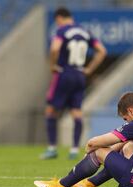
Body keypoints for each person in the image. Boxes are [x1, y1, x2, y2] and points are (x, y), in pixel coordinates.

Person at [40, 7, 107, 160]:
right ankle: (75, 149)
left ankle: (52, 149)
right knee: (76, 112)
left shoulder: (62, 30)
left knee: (51, 111)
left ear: (59, 18)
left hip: (64, 73)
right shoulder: (85, 32)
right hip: (79, 75)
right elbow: (102, 51)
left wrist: (52, 65)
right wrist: (89, 69)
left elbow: (55, 48)